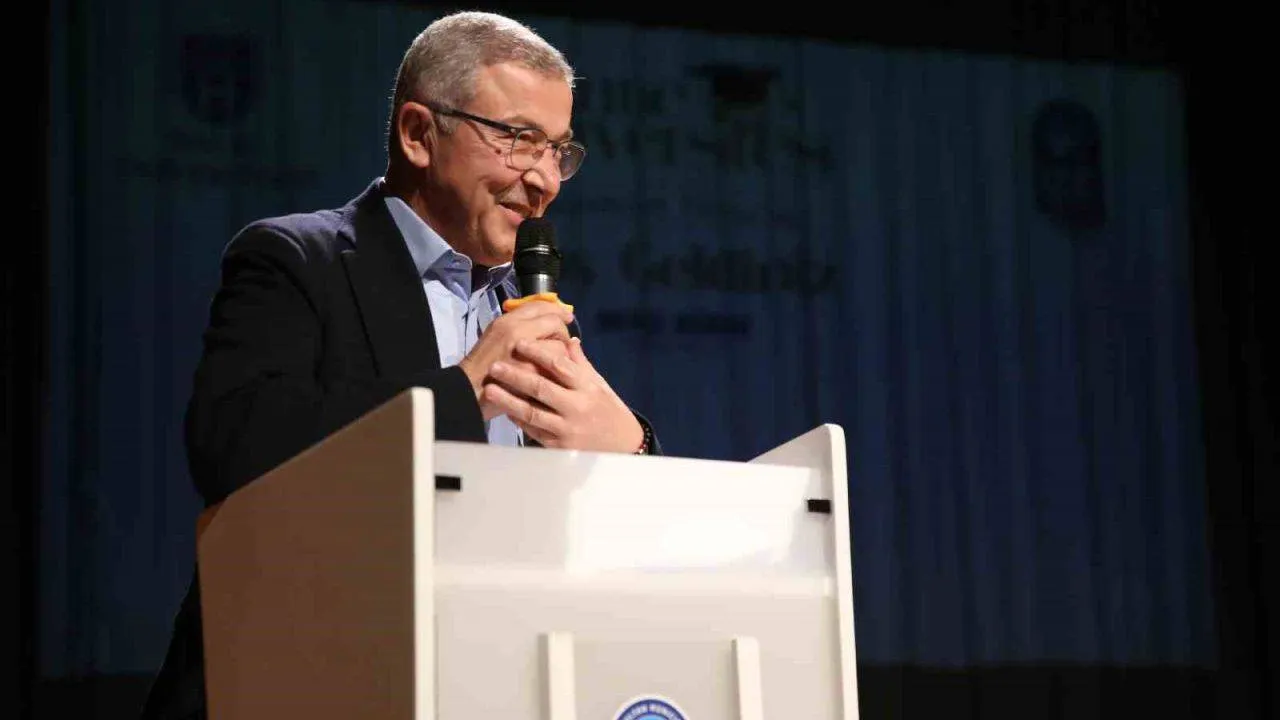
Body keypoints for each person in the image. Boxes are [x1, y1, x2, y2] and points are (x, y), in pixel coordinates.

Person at [139, 11, 659, 719]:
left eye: (559, 150)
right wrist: (466, 390)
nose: (545, 180)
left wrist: (632, 450)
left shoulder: (530, 310)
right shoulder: (296, 263)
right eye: (519, 139)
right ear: (419, 134)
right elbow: (237, 450)